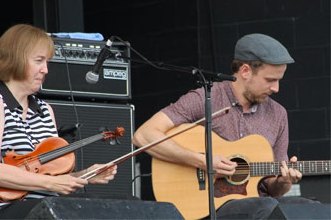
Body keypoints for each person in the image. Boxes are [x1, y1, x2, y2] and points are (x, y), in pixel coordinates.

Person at [132, 33, 319, 219]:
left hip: (259, 204)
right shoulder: (205, 98)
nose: (276, 89)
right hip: (210, 206)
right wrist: (202, 161)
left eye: (279, 80)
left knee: (312, 209)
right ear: (245, 71)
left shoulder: (278, 114)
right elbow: (144, 135)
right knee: (265, 206)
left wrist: (284, 181)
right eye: (270, 80)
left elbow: (273, 190)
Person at [0, 24, 117, 219]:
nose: (45, 70)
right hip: (1, 210)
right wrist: (50, 184)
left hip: (46, 207)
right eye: (39, 61)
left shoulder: (45, 110)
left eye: (47, 62)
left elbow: (49, 177)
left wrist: (85, 175)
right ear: (15, 60)